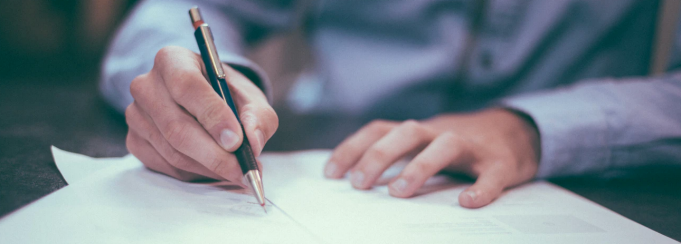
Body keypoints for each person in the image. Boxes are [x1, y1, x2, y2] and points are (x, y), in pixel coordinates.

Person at [101, 0, 681, 209]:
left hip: (576, 177)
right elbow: (177, 11)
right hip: (325, 156)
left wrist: (530, 129)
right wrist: (198, 84)